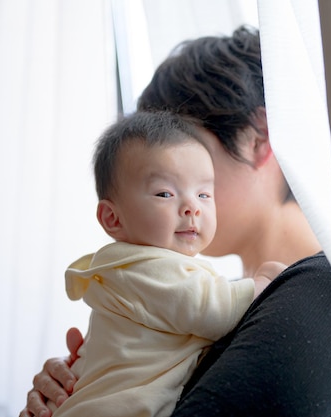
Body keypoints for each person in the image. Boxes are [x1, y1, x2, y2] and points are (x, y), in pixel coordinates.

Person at [20, 25, 331, 417]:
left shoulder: (323, 296)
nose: (181, 193)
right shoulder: (204, 306)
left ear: (259, 137)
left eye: (182, 148)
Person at [48, 111, 282, 417]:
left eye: (203, 194)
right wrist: (266, 282)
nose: (192, 208)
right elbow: (214, 309)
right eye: (165, 193)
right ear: (112, 218)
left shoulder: (132, 270)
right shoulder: (147, 269)